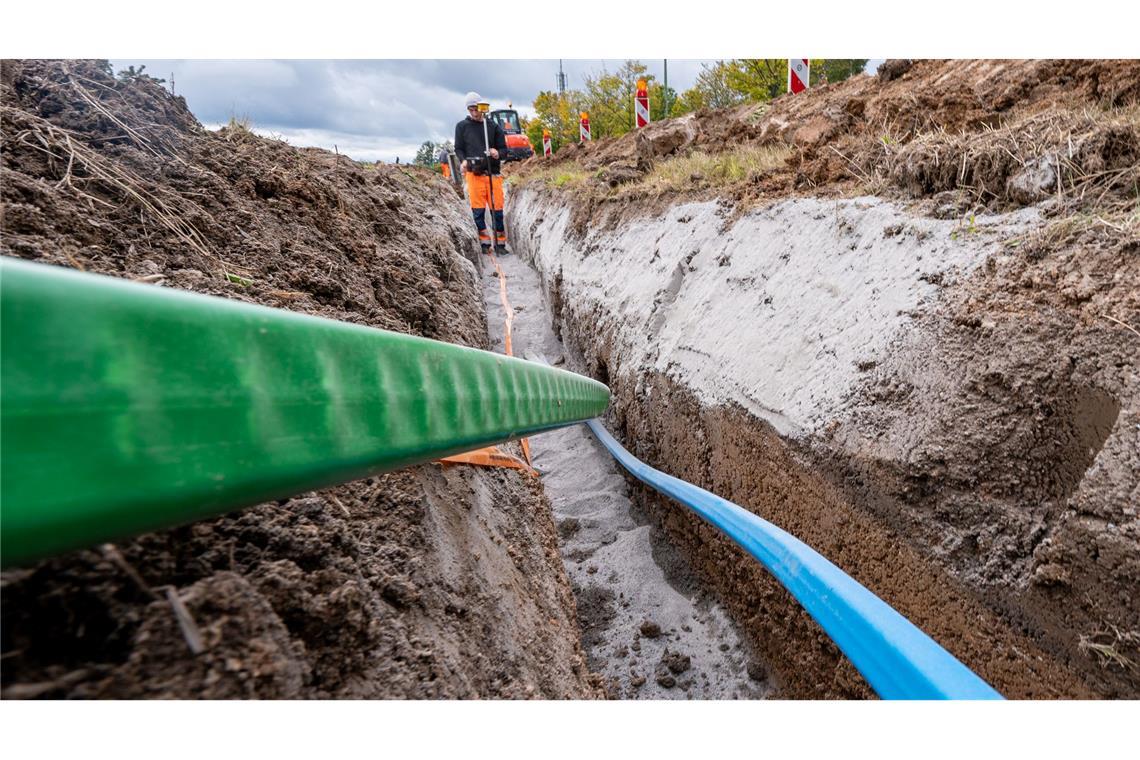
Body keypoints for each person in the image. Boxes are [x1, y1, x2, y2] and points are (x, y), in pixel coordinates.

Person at [455, 91, 509, 254]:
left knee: (497, 211)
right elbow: (458, 148)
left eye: (476, 109)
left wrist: (497, 153)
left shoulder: (492, 127)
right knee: (478, 211)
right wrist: (463, 160)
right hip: (474, 175)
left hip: (492, 174)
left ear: (481, 107)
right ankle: (485, 244)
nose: (474, 112)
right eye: (470, 109)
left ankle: (500, 245)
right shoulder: (462, 127)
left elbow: (504, 150)